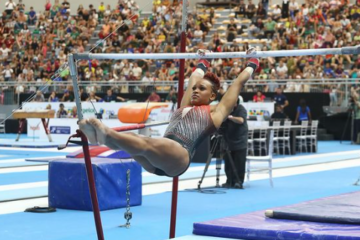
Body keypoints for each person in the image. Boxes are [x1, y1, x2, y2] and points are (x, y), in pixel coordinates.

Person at [79, 49, 259, 177]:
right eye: (194, 89)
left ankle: (106, 134)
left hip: (179, 156)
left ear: (212, 95)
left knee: (145, 142)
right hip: (157, 161)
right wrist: (203, 62)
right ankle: (102, 138)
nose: (195, 91)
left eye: (201, 89)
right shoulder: (184, 105)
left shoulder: (216, 112)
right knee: (134, 141)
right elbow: (193, 79)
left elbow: (238, 83)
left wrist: (253, 62)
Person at [221, 98, 248, 189]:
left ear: (235, 103)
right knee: (228, 163)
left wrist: (230, 117)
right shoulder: (226, 110)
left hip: (240, 140)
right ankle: (229, 181)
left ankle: (238, 181)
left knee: (239, 163)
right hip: (228, 140)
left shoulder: (241, 109)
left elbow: (241, 120)